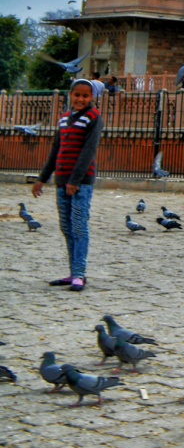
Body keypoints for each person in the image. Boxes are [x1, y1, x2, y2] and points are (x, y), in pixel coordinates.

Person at [32, 78, 104, 291]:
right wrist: (42, 178)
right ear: (70, 95)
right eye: (77, 95)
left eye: (85, 95)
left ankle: (79, 274)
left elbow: (88, 151)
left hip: (80, 182)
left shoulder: (93, 117)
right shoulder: (64, 118)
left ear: (91, 97)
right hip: (62, 181)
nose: (80, 99)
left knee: (79, 226)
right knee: (67, 227)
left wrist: (75, 181)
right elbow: (56, 150)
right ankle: (73, 272)